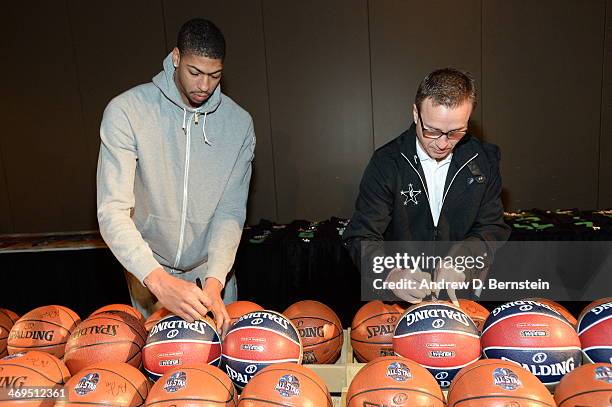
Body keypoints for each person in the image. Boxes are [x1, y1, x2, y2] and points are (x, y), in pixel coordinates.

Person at [97, 18, 255, 334]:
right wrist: (156, 279)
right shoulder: (127, 111)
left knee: (217, 378)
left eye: (214, 75)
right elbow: (112, 211)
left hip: (210, 278)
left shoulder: (239, 124)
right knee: (155, 376)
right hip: (149, 276)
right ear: (176, 58)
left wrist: (215, 281)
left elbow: (230, 213)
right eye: (195, 73)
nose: (204, 86)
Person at [343, 68, 510, 304]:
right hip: (401, 303)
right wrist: (390, 274)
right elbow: (361, 235)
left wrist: (464, 261)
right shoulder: (387, 162)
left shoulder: (483, 160)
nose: (443, 143)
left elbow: (491, 227)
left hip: (460, 299)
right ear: (415, 113)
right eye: (431, 130)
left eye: (455, 132)